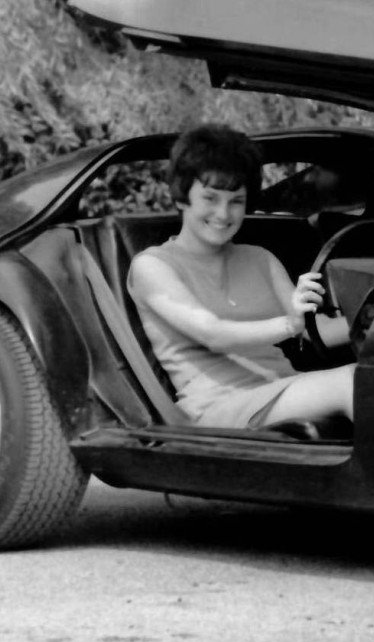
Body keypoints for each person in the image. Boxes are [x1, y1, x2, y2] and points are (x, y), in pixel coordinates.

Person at [127, 123, 358, 429]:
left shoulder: (260, 258)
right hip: (215, 408)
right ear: (182, 198)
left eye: (235, 201)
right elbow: (213, 334)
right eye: (210, 199)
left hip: (282, 388)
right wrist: (289, 323)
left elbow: (318, 331)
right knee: (354, 381)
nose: (223, 214)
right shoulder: (152, 266)